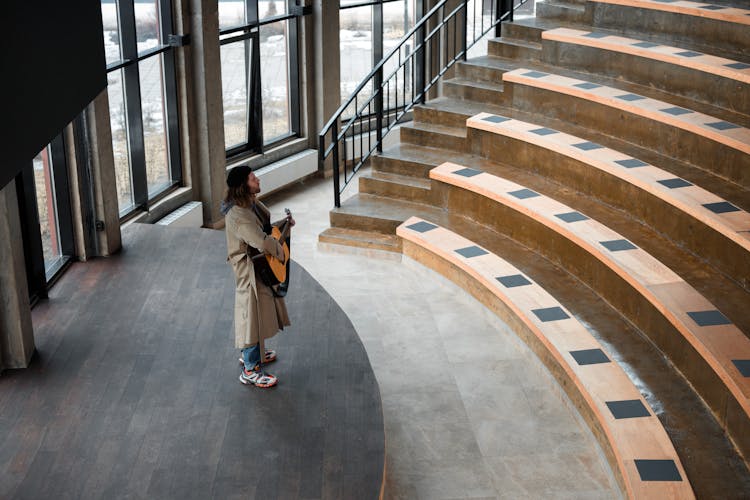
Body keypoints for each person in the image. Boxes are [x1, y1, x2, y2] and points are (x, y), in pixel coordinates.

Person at [220, 164, 294, 388]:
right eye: (253, 178)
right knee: (251, 312)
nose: (258, 180)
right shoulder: (239, 215)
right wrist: (280, 252)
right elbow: (261, 242)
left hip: (258, 264)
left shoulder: (249, 204)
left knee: (257, 310)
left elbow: (265, 229)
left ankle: (253, 354)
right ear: (244, 185)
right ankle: (250, 368)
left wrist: (284, 227)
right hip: (249, 269)